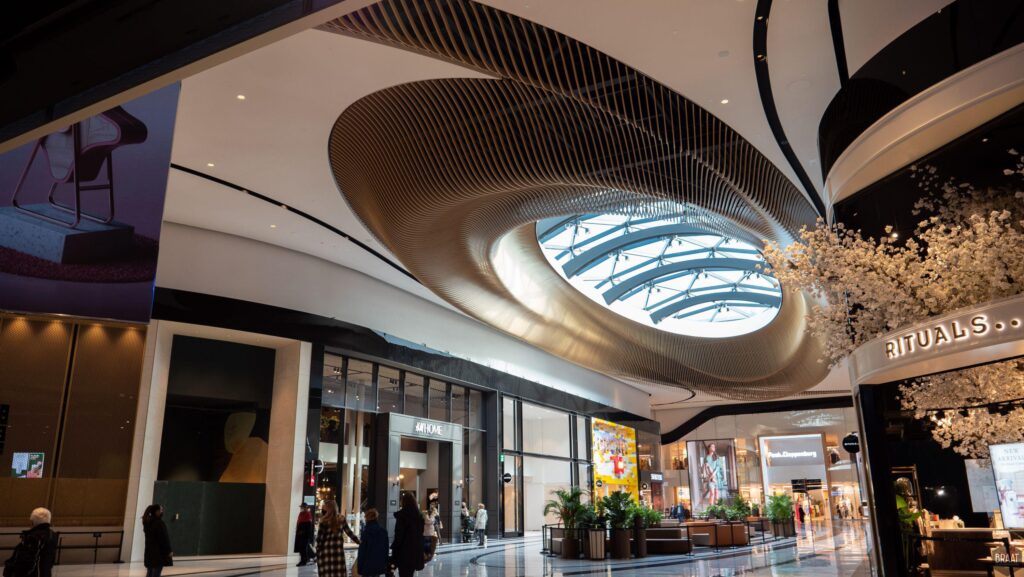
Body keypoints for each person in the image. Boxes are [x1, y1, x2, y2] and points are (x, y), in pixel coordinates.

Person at [3, 508, 58, 577]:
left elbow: (26, 563)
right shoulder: (52, 535)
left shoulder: (33, 537)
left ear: (33, 521)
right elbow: (51, 560)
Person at [317, 501, 359, 577]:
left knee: (328, 571)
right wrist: (359, 542)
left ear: (328, 508)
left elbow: (319, 539)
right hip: (337, 550)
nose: (324, 508)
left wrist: (318, 551)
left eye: (325, 507)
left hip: (325, 551)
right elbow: (349, 532)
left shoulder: (323, 520)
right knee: (338, 571)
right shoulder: (341, 519)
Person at [391, 493, 425, 577]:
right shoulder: (419, 516)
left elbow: (399, 535)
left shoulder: (402, 516)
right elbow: (421, 533)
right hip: (415, 551)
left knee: (403, 573)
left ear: (403, 502)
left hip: (404, 552)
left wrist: (394, 549)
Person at [356, 509, 389, 577]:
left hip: (367, 565)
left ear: (367, 518)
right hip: (379, 564)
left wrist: (359, 567)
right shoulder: (383, 531)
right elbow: (386, 549)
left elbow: (362, 551)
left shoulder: (366, 532)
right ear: (376, 518)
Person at [142, 505, 173, 577]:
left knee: (149, 573)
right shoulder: (159, 523)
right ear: (156, 512)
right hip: (158, 554)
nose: (162, 511)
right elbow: (164, 538)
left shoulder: (147, 522)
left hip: (149, 552)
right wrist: (169, 551)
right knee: (156, 573)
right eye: (161, 510)